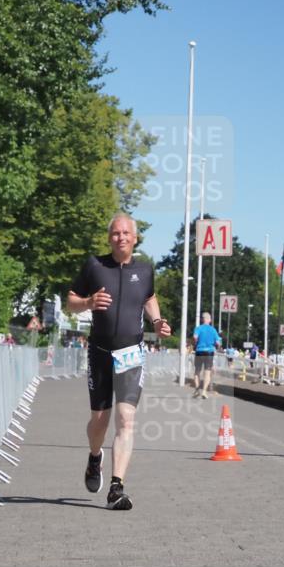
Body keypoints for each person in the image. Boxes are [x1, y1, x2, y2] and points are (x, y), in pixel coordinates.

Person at [67, 212, 171, 511]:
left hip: (131, 353)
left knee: (126, 418)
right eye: (115, 233)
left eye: (126, 233)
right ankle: (94, 456)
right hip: (99, 352)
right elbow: (71, 300)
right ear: (109, 237)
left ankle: (116, 488)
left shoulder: (146, 270)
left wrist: (158, 320)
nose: (121, 237)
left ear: (135, 237)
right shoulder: (94, 266)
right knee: (99, 420)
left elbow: (149, 298)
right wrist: (87, 303)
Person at [191, 312, 221, 399]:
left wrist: (196, 343)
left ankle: (197, 389)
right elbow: (218, 342)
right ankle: (204, 391)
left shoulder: (198, 328)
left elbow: (195, 337)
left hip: (199, 351)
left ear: (202, 319)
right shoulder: (213, 330)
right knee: (207, 372)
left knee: (197, 371)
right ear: (209, 320)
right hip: (209, 352)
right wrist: (217, 346)